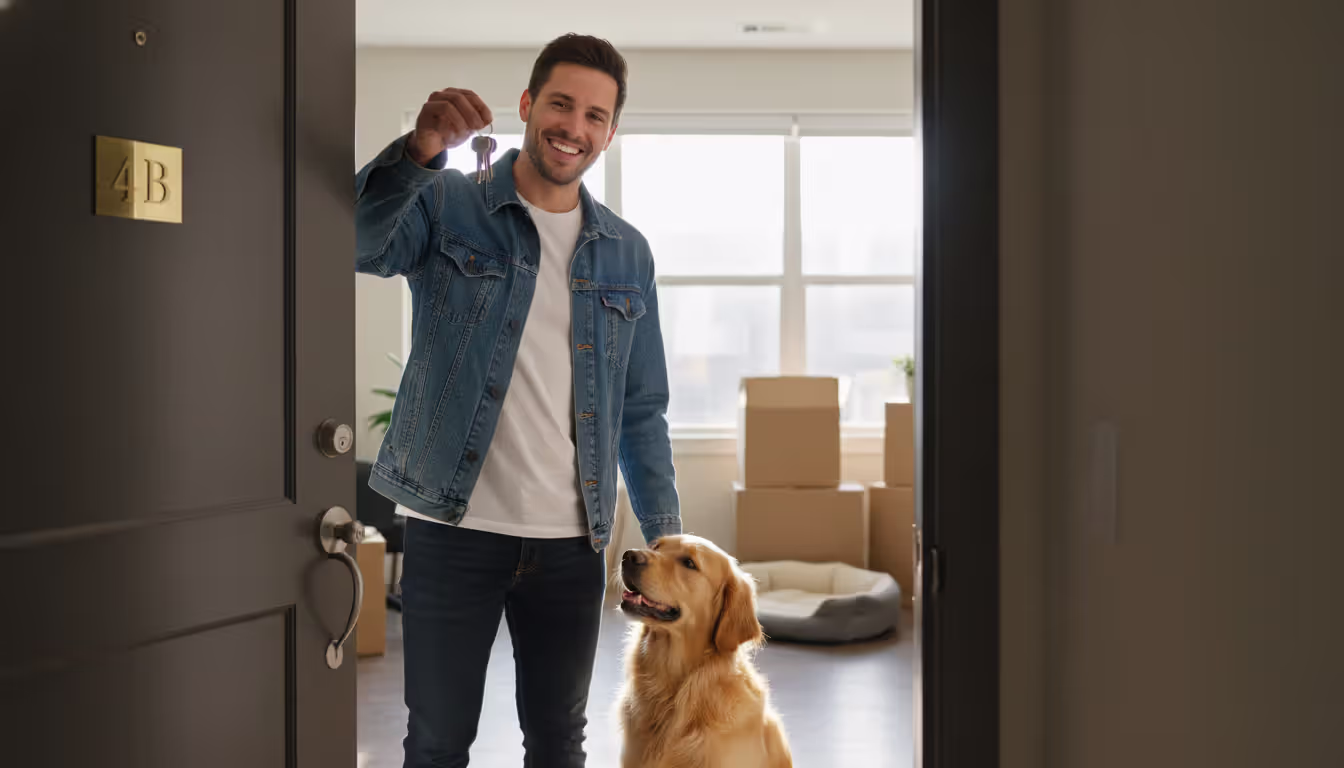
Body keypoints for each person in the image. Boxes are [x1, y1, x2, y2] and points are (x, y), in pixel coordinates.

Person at [353, 33, 680, 768]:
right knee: (437, 744)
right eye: (561, 104)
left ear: (610, 133)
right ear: (529, 106)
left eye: (596, 116)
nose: (575, 127)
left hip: (572, 543)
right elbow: (359, 245)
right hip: (450, 525)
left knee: (560, 743)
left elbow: (639, 408)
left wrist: (667, 538)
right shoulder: (448, 202)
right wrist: (419, 151)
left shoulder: (627, 251)